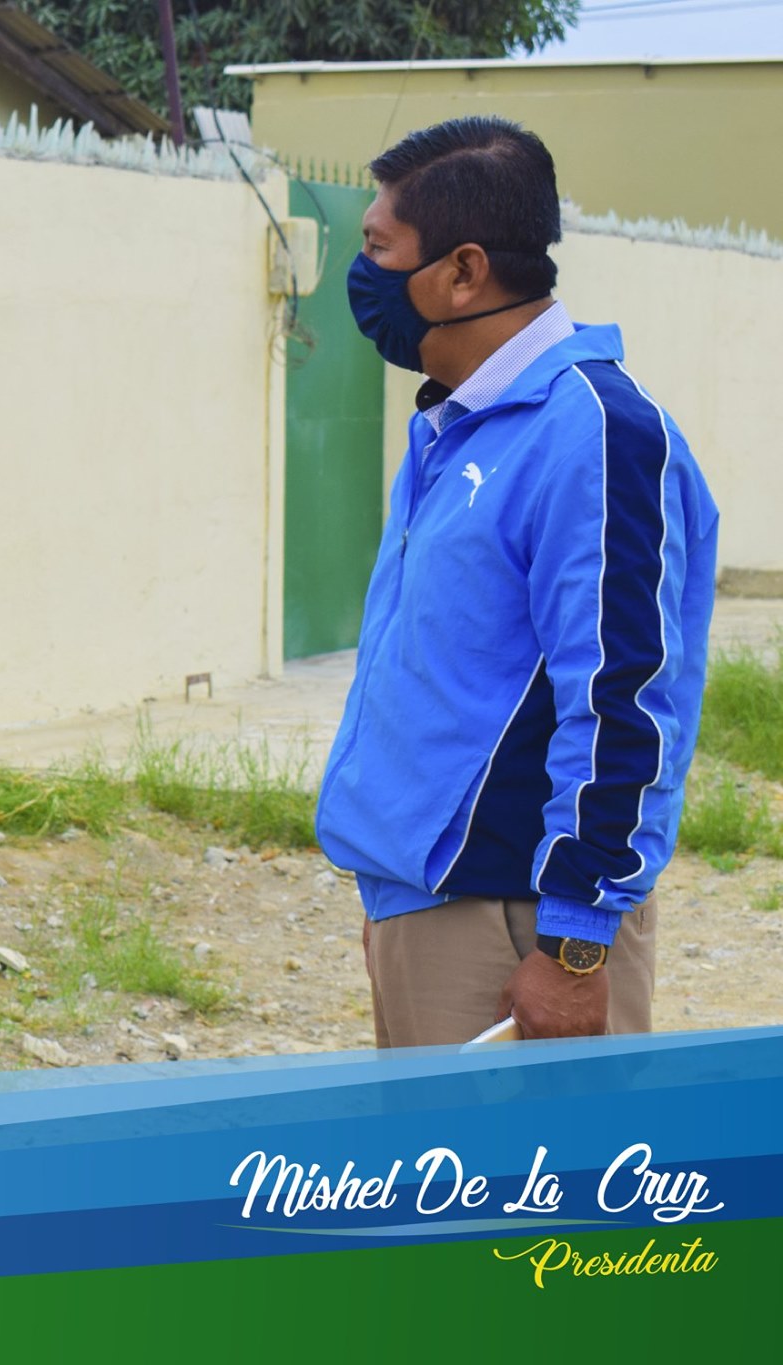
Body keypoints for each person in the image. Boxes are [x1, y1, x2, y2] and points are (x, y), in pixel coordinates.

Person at [317, 118, 718, 1047]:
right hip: (431, 904)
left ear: (463, 271)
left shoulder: (595, 435)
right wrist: (398, 903)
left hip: (517, 922)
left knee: (534, 1153)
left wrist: (575, 943)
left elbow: (624, 698)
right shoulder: (458, 425)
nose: (362, 274)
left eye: (378, 248)